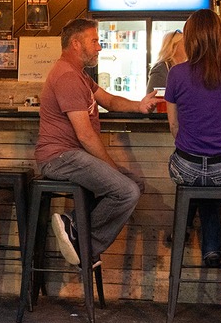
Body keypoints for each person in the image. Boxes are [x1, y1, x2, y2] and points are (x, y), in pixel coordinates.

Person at [37, 18, 156, 268]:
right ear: (76, 44)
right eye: (95, 41)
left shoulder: (80, 76)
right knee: (126, 190)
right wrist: (112, 168)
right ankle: (85, 243)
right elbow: (85, 135)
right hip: (60, 158)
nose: (99, 47)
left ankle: (75, 229)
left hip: (73, 157)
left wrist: (139, 105)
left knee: (135, 184)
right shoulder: (67, 77)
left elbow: (110, 101)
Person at [165, 9, 221, 267]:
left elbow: (173, 125)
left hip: (186, 166)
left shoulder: (176, 74)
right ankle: (211, 247)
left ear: (190, 38)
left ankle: (185, 228)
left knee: (198, 178)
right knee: (212, 179)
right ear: (220, 36)